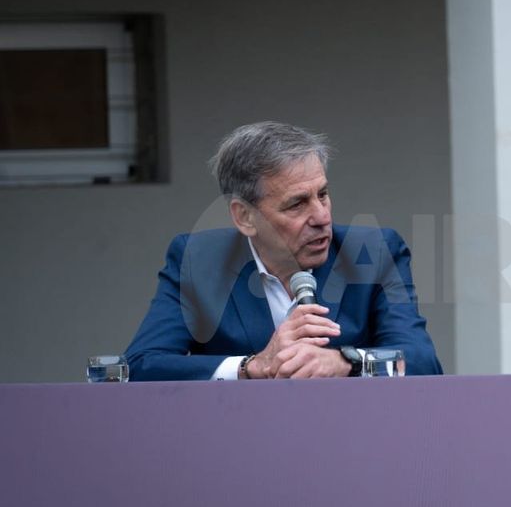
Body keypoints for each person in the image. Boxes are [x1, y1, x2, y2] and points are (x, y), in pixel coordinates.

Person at [126, 121, 442, 380]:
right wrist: (251, 367)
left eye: (323, 194)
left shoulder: (372, 252)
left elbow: (422, 362)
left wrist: (345, 363)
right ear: (245, 216)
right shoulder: (198, 260)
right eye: (297, 204)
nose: (322, 217)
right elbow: (141, 365)